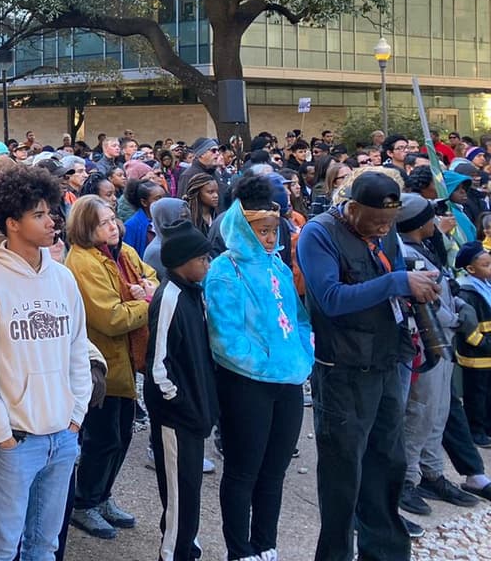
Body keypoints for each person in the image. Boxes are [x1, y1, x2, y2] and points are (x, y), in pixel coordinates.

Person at [296, 170, 440, 561]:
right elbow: (330, 298)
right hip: (342, 370)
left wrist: (418, 287)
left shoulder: (385, 228)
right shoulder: (319, 233)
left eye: (389, 223)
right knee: (343, 477)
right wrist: (399, 282)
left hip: (386, 361)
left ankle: (386, 553)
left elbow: (394, 278)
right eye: (376, 221)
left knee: (387, 464)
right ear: (353, 208)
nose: (383, 230)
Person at [0, 165, 89, 561]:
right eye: (39, 214)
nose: (52, 221)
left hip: (63, 437)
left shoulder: (63, 279)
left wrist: (75, 416)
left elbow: (78, 351)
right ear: (12, 223)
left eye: (51, 212)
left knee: (45, 547)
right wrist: (2, 433)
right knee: (1, 548)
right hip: (15, 441)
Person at [205, 173, 315, 561]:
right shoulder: (224, 269)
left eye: (274, 230)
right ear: (242, 227)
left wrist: (302, 355)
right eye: (262, 231)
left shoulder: (278, 268)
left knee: (275, 471)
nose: (270, 238)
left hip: (288, 381)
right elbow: (224, 336)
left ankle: (266, 543)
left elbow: (299, 319)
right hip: (246, 384)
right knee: (242, 470)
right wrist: (265, 363)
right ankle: (239, 549)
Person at [64, 194, 157, 540]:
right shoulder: (83, 262)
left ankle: (102, 496)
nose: (113, 226)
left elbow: (153, 280)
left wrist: (147, 291)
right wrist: (146, 302)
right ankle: (83, 501)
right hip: (103, 365)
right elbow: (111, 318)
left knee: (122, 436)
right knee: (102, 438)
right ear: (87, 228)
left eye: (112, 219)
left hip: (128, 363)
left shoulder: (123, 253)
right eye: (103, 222)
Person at [394, 194, 481, 515]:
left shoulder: (426, 247)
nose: (437, 220)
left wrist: (458, 304)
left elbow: (443, 288)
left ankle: (432, 472)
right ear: (418, 224)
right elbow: (425, 302)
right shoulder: (404, 253)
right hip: (423, 343)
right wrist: (455, 316)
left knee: (440, 409)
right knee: (419, 410)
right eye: (431, 216)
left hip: (443, 340)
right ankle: (407, 478)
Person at [144, 219, 216, 561]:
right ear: (182, 262)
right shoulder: (169, 297)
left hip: (195, 415)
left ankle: (189, 547)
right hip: (176, 419)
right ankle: (173, 553)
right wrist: (182, 405)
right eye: (202, 259)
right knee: (178, 496)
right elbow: (158, 364)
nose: (207, 264)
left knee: (190, 494)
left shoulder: (194, 294)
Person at [456, 241, 491, 447]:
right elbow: (469, 330)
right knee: (476, 395)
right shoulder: (466, 292)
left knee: (488, 394)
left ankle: (487, 426)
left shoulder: (485, 286)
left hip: (489, 353)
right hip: (476, 355)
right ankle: (475, 430)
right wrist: (485, 344)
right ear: (471, 269)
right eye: (486, 265)